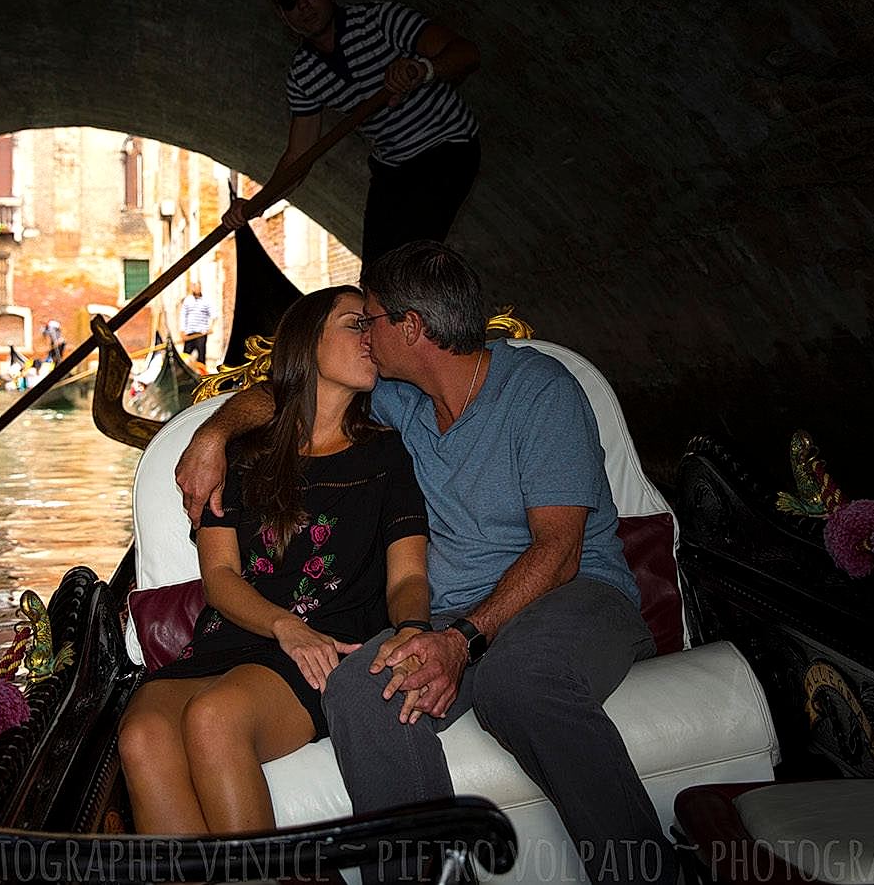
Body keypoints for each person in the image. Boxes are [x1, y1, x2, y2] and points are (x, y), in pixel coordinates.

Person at [176, 242, 673, 885]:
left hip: (574, 596)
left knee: (518, 678)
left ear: (409, 328)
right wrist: (212, 434)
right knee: (361, 686)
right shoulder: (396, 401)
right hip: (450, 617)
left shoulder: (541, 392)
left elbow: (558, 550)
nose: (364, 332)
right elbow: (292, 393)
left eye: (370, 319)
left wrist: (461, 640)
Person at [118, 286, 432, 837]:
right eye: (354, 324)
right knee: (141, 732)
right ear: (308, 343)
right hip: (242, 632)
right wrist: (284, 626)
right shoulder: (242, 455)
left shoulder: (389, 452)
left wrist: (412, 631)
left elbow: (407, 575)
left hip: (328, 645)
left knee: (215, 720)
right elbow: (218, 578)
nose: (371, 336)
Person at [223, 0, 482, 275]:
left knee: (406, 267)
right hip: (393, 168)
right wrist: (256, 205)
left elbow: (467, 54)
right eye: (289, 0)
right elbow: (298, 158)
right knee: (374, 278)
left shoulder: (381, 20)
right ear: (281, 14)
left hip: (448, 146)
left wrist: (422, 69)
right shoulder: (303, 74)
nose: (303, 5)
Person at [179, 282, 216, 365]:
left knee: (201, 356)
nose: (197, 289)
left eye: (198, 288)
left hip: (201, 333)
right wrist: (182, 331)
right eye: (195, 288)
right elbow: (183, 315)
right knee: (186, 355)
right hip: (189, 333)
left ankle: (202, 374)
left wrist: (211, 327)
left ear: (200, 289)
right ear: (193, 289)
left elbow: (214, 314)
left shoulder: (206, 301)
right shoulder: (187, 300)